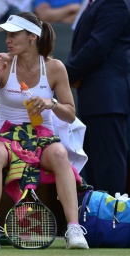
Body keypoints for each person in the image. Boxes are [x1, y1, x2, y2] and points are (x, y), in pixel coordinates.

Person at [0, 12, 89, 249]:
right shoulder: (0, 61)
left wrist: (50, 103)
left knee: (60, 155)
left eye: (14, 34)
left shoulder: (54, 68)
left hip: (43, 135)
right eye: (7, 35)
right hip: (7, 135)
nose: (8, 40)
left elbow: (70, 113)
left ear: (32, 37)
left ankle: (74, 229)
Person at [65, 0, 130, 196]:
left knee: (109, 164)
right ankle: (97, 217)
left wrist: (65, 74)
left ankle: (112, 218)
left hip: (107, 98)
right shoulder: (97, 3)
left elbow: (97, 46)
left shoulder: (114, 2)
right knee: (94, 166)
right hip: (95, 97)